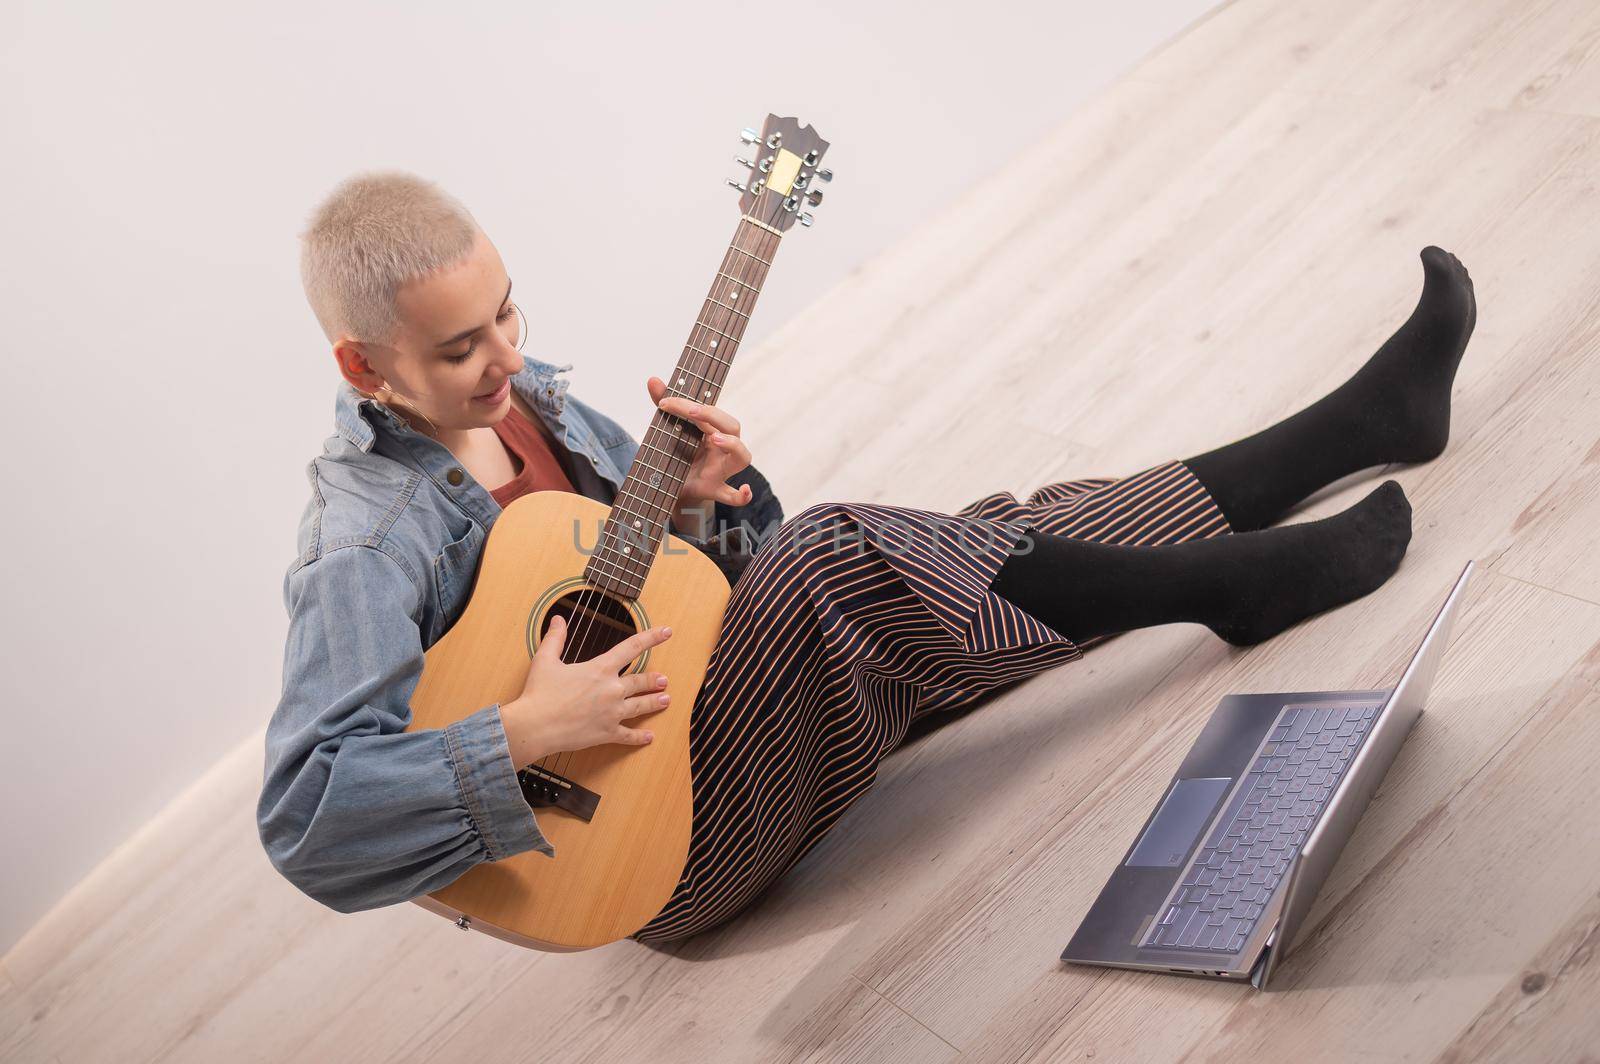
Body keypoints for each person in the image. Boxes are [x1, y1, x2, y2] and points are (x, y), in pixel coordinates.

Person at [257, 170, 1475, 944]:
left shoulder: (542, 404)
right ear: (364, 367)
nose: (508, 358)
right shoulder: (361, 543)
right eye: (463, 347)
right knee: (851, 555)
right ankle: (1234, 590)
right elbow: (309, 818)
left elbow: (734, 573)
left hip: (723, 722)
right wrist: (524, 728)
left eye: (508, 310)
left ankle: (1359, 425)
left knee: (997, 531)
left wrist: (705, 504)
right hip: (647, 855)